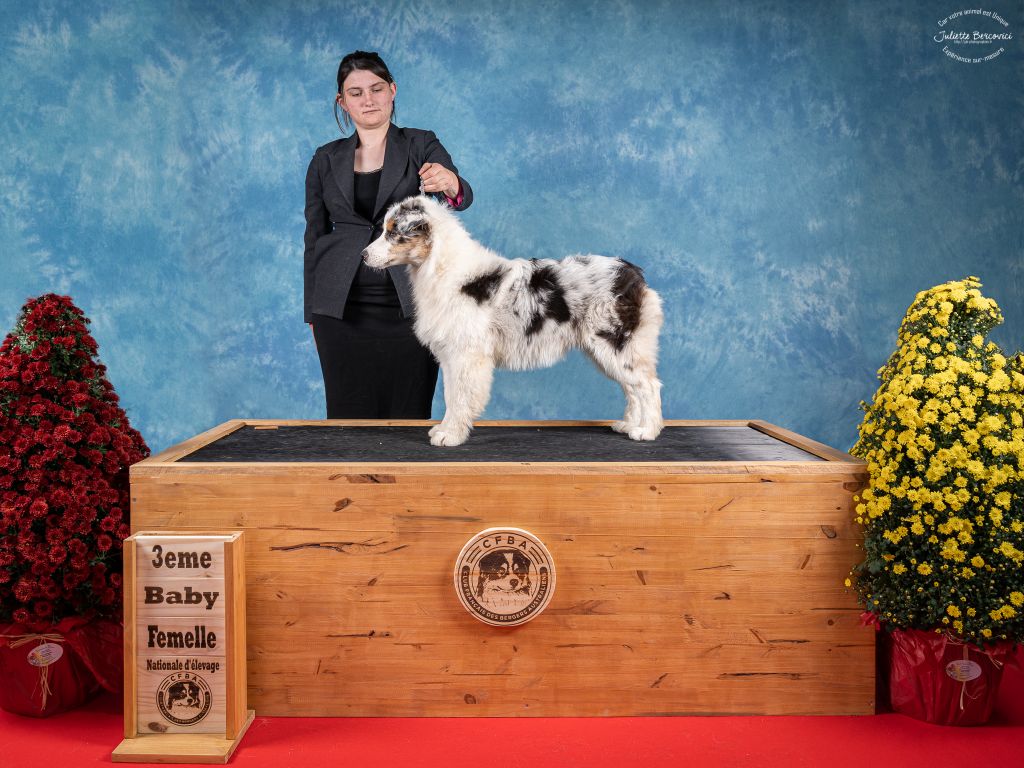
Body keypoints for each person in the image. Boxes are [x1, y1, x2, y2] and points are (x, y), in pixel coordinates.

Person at [304, 50, 473, 418]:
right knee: (346, 423)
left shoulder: (420, 143)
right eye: (356, 93)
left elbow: (460, 194)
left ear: (392, 90)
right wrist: (312, 314)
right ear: (342, 101)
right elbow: (314, 240)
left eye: (376, 89)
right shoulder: (324, 158)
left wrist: (450, 182)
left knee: (409, 419)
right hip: (339, 312)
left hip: (411, 309)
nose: (368, 99)